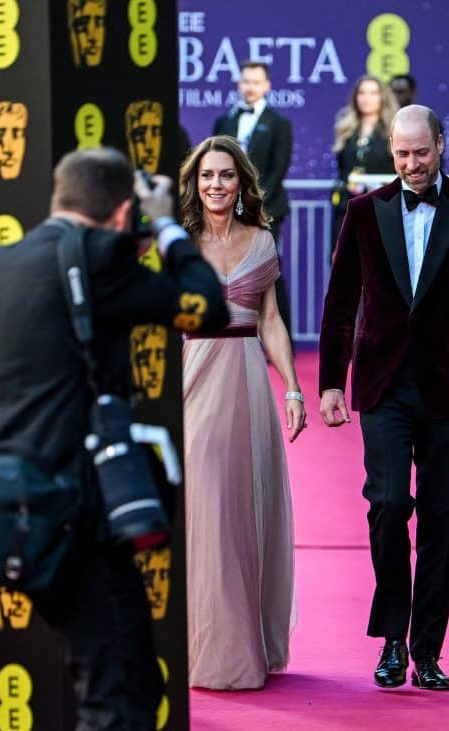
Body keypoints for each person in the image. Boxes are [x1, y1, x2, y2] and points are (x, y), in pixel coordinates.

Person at [0, 147, 230, 727]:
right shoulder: (98, 258)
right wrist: (167, 228)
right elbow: (208, 308)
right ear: (124, 211)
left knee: (118, 675)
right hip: (76, 517)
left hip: (4, 512)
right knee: (119, 697)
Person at [319, 105, 449, 691]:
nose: (411, 164)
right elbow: (340, 301)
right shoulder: (364, 210)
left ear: (441, 145)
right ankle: (392, 639)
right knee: (386, 506)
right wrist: (331, 382)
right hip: (382, 383)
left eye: (421, 152)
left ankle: (427, 650)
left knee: (440, 519)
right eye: (402, 154)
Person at [180, 135, 304, 690]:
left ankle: (244, 641)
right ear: (195, 183)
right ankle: (204, 645)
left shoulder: (262, 240)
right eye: (207, 175)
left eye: (226, 175)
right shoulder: (178, 244)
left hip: (247, 380)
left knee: (243, 508)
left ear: (241, 184)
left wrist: (294, 389)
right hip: (193, 377)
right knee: (204, 506)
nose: (216, 184)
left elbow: (270, 321)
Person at [213, 60, 295, 342]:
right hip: (228, 211)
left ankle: (282, 340)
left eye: (256, 82)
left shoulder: (279, 123)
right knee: (228, 272)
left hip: (266, 210)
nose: (250, 87)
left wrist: (251, 203)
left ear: (267, 86)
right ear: (239, 84)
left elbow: (278, 170)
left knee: (267, 272)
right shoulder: (225, 121)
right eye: (246, 81)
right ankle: (231, 336)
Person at [331, 75, 398, 250]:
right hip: (348, 207)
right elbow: (343, 169)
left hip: (381, 208)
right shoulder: (346, 130)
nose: (366, 98)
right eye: (362, 93)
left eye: (373, 93)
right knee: (344, 259)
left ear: (382, 97)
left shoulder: (394, 131)